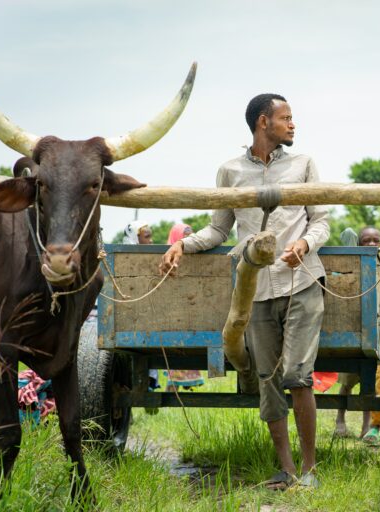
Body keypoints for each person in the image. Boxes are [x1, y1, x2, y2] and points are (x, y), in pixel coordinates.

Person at [160, 94, 329, 490]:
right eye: (286, 118)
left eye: (292, 119)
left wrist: (303, 245)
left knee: (298, 375)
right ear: (263, 122)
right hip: (255, 290)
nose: (293, 125)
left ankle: (310, 471)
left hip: (302, 284)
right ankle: (286, 470)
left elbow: (320, 221)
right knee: (268, 378)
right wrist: (182, 244)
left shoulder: (304, 165)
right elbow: (219, 229)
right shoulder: (230, 171)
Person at [333, 227, 380, 444]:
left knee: (370, 386)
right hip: (352, 332)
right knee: (346, 383)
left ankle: (368, 426)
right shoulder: (351, 264)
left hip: (375, 333)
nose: (372, 244)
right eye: (366, 241)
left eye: (376, 240)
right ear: (358, 244)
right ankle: (340, 419)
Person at [164, 223, 205, 391]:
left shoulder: (199, 259)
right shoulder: (164, 260)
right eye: (184, 237)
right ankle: (172, 387)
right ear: (175, 239)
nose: (188, 240)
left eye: (191, 237)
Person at [123, 220, 161, 393]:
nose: (151, 241)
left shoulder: (152, 259)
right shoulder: (123, 260)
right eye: (147, 237)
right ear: (135, 237)